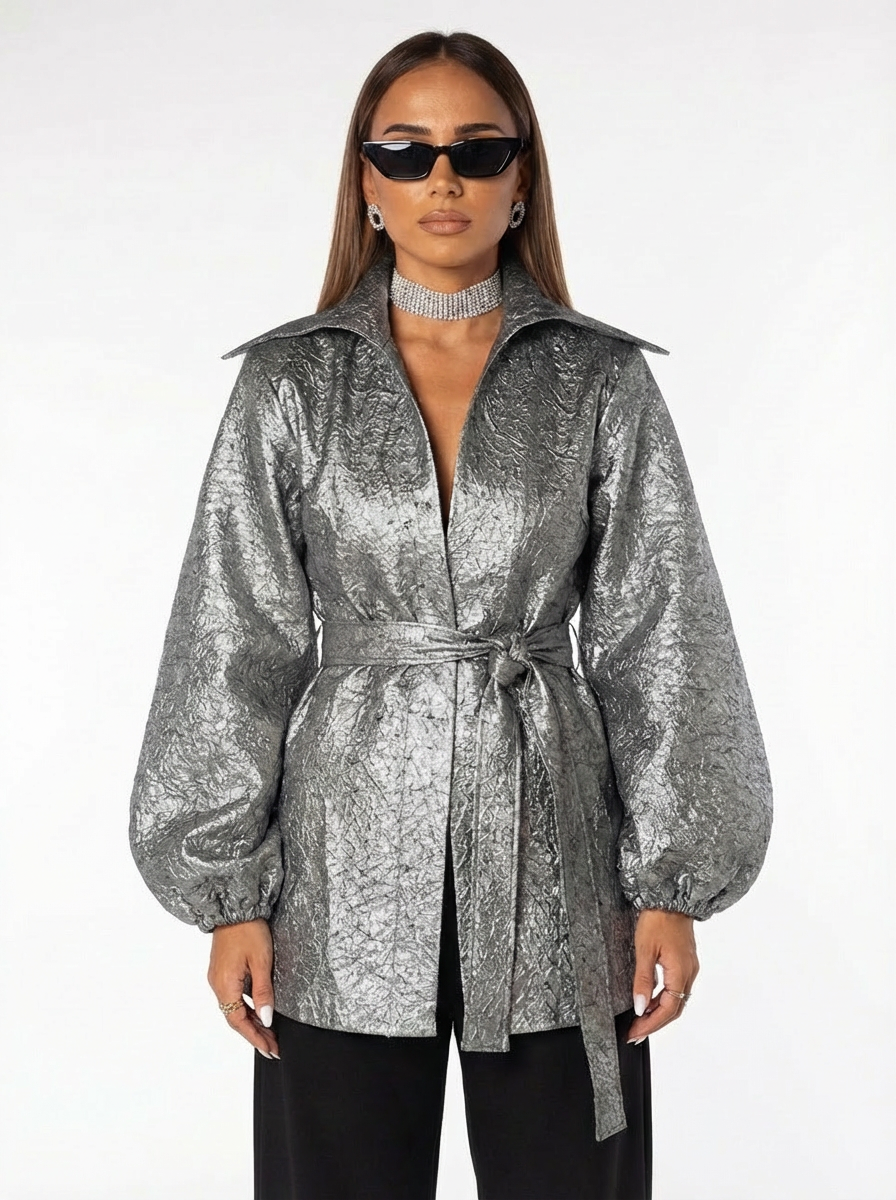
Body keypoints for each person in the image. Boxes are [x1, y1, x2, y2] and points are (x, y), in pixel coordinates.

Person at [129, 28, 773, 1200]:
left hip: (553, 852)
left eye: (477, 152)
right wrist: (228, 897)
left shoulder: (597, 378)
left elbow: (661, 632)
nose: (442, 179)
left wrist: (669, 883)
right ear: (365, 181)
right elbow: (234, 636)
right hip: (338, 866)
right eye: (406, 151)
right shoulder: (290, 382)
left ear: (520, 178)